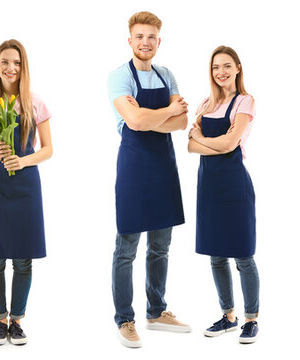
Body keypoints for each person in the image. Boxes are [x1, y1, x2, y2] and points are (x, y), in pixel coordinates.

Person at [107, 11, 191, 348]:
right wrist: (167, 111)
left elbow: (181, 124)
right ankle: (125, 319)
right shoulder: (118, 77)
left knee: (161, 247)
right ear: (130, 40)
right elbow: (135, 123)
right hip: (134, 168)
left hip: (164, 168)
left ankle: (156, 311)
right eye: (140, 37)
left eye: (151, 37)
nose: (145, 43)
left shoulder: (167, 74)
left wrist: (149, 116)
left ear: (159, 40)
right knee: (126, 247)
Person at [0, 39, 53, 346]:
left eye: (16, 62)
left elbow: (48, 149)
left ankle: (17, 321)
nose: (10, 68)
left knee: (23, 259)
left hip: (26, 185)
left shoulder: (35, 103)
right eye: (5, 61)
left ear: (23, 67)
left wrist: (22, 160)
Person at [187, 46, 260, 344]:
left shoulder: (245, 101)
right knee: (216, 255)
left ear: (238, 68)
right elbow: (190, 147)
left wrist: (202, 139)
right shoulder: (206, 104)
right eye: (216, 67)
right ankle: (228, 316)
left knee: (243, 255)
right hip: (208, 185)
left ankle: (251, 319)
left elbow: (231, 144)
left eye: (227, 66)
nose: (221, 72)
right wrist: (205, 142)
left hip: (234, 185)